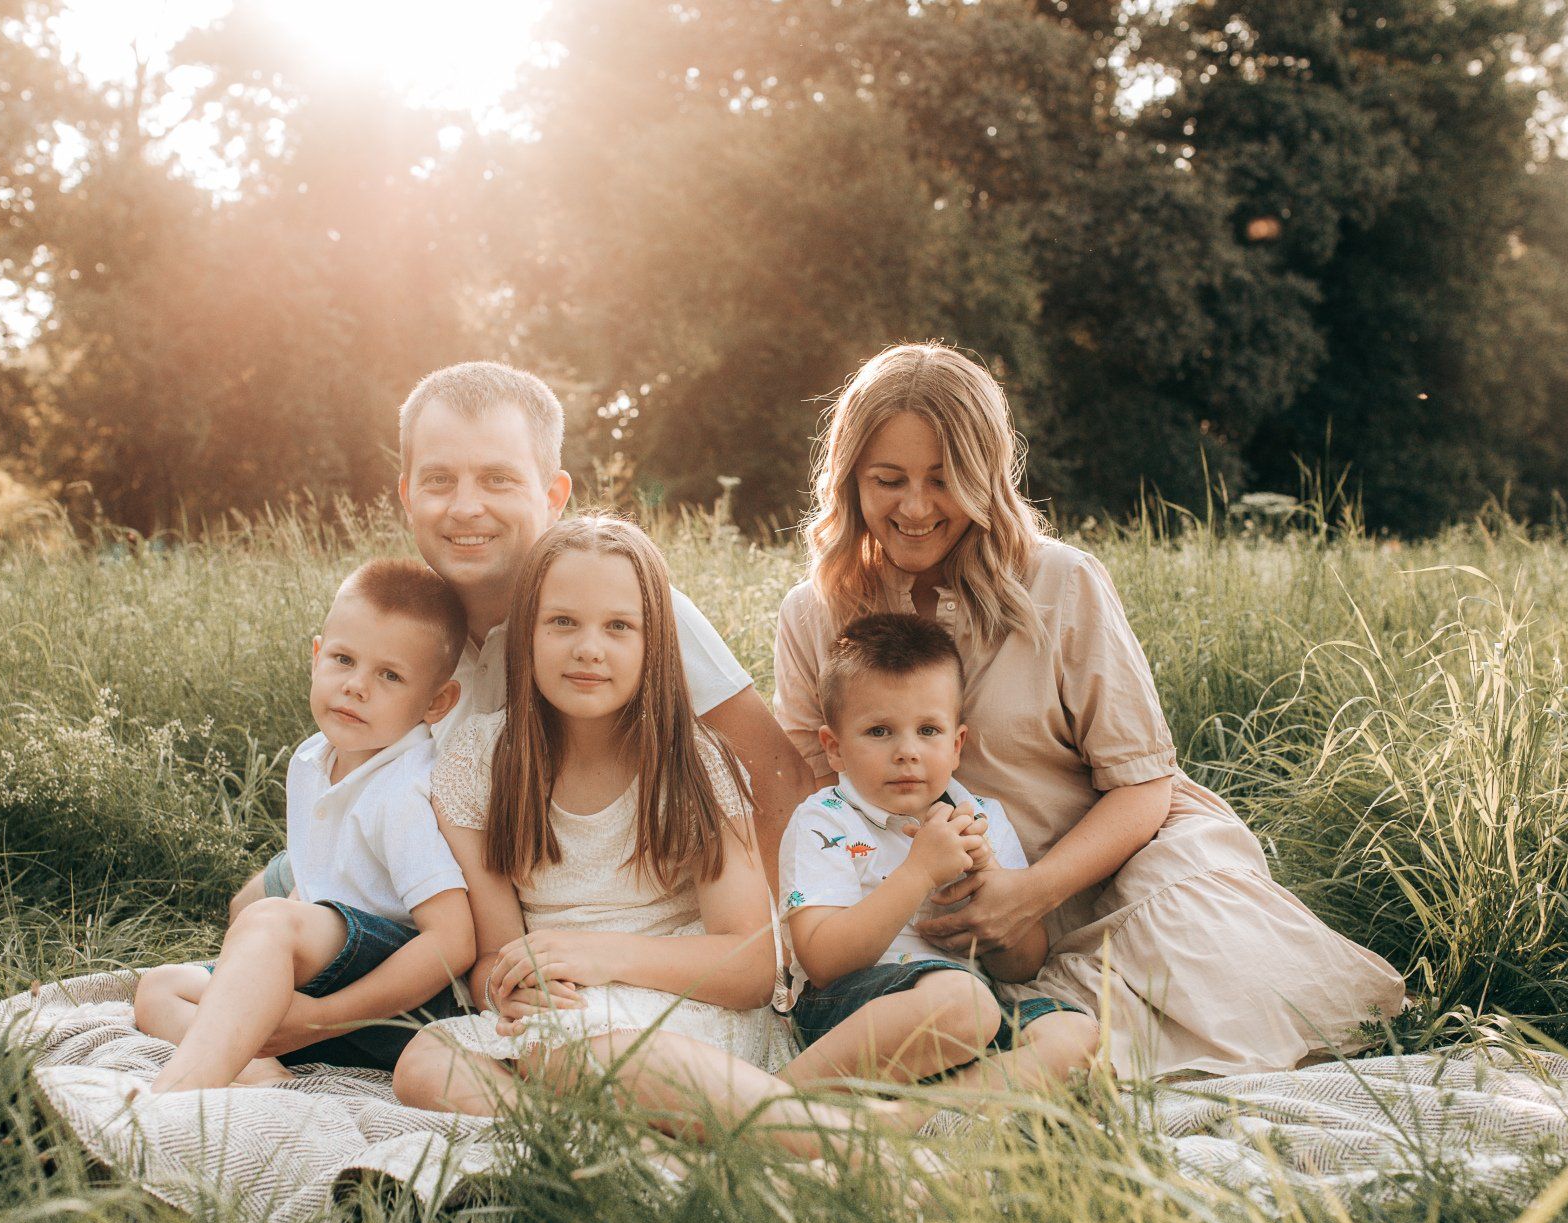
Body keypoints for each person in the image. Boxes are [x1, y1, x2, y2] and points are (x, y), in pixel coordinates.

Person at [773, 343, 1406, 1078]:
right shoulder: (814, 614)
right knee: (1003, 1026)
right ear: (849, 481)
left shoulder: (1059, 582)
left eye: (943, 481)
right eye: (888, 480)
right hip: (929, 915)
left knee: (1256, 1022)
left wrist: (1028, 896)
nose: (915, 508)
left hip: (1109, 874)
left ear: (986, 478)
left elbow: (1143, 786)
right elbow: (812, 790)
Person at [230, 361, 813, 917]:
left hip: (568, 901)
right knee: (250, 909)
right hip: (411, 873)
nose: (465, 507)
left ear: (554, 495)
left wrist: (776, 953)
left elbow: (779, 779)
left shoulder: (627, 613)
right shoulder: (409, 626)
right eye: (438, 481)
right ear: (406, 495)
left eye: (497, 479)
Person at [392, 516, 887, 1156]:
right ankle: (599, 1141)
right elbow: (494, 955)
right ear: (526, 636)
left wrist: (601, 955)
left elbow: (750, 965)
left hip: (685, 1003)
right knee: (425, 1062)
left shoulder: (694, 764)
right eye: (562, 622)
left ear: (655, 642)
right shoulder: (478, 765)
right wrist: (508, 987)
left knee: (581, 1061)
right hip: (562, 1014)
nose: (589, 648)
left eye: (618, 627)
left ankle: (840, 1145)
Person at [135, 558, 475, 1090]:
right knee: (159, 990)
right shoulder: (310, 761)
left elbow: (452, 943)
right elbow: (322, 882)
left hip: (399, 1011)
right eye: (343, 659)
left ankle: (173, 1093)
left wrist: (322, 1018)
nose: (356, 686)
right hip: (322, 993)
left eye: (390, 675)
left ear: (438, 702)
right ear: (316, 658)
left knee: (271, 919)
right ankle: (264, 1078)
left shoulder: (406, 789)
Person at [778, 613, 1099, 1094]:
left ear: (957, 744)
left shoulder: (979, 817)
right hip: (852, 1008)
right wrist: (919, 873)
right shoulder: (825, 821)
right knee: (963, 1004)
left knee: (1076, 1033)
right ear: (835, 748)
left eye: (928, 730)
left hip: (975, 1008)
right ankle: (783, 1094)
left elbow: (1023, 966)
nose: (907, 752)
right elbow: (823, 960)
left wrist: (992, 882)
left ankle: (922, 1115)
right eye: (879, 731)